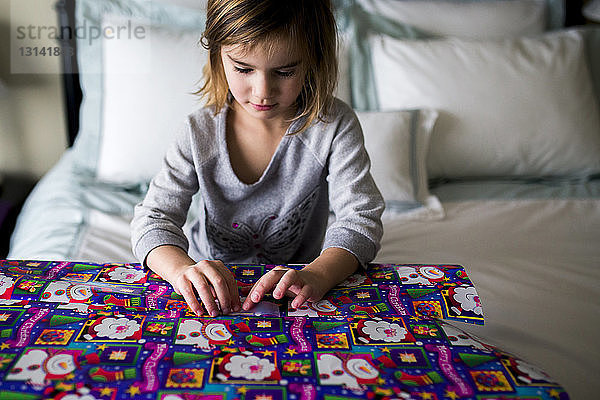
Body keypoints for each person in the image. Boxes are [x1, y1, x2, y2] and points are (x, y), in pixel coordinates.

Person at [130, 0, 384, 318]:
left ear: (313, 61)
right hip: (207, 294)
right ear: (217, 56)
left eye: (285, 71)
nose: (262, 91)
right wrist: (182, 270)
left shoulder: (334, 126)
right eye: (243, 69)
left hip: (297, 291)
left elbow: (360, 220)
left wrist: (317, 275)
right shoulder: (198, 132)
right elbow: (153, 220)